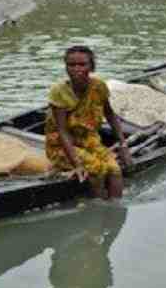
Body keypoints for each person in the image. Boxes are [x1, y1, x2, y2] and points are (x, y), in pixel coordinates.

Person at [46, 45, 133, 199]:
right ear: (66, 67)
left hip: (89, 139)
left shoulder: (98, 86)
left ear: (91, 66)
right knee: (97, 168)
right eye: (71, 65)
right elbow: (62, 131)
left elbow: (110, 115)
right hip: (61, 145)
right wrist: (77, 164)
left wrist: (123, 144)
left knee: (115, 170)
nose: (76, 69)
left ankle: (115, 209)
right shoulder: (58, 91)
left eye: (82, 64)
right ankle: (99, 205)